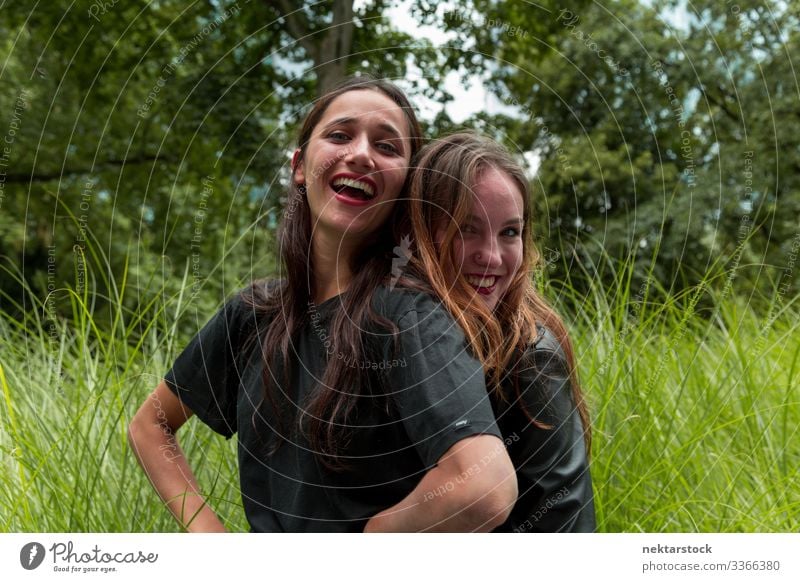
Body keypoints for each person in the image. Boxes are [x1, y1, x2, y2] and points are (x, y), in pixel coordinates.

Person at [127, 78, 518, 533]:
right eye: (339, 135)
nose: (361, 153)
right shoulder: (251, 314)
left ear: (405, 186)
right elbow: (150, 426)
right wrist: (207, 533)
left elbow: (485, 485)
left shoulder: (409, 315)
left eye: (388, 146)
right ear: (299, 165)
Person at [394, 131, 596, 532]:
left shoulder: (532, 359)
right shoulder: (402, 334)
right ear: (419, 230)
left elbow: (564, 529)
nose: (492, 257)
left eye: (509, 232)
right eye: (467, 228)